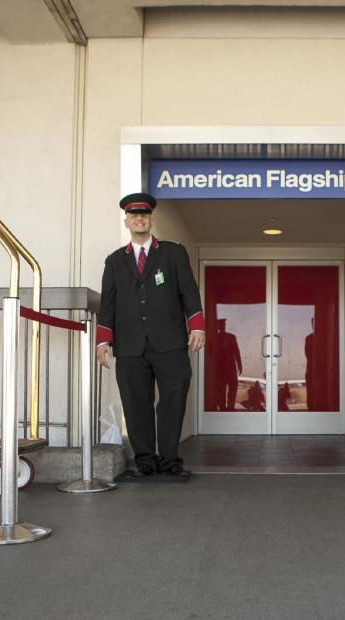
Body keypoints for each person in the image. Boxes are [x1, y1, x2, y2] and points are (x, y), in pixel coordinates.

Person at [96, 192, 205, 478]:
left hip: (169, 342)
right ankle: (145, 461)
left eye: (144, 214)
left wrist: (197, 325)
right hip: (130, 344)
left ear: (151, 218)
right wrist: (103, 340)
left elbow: (189, 291)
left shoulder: (173, 252)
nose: (139, 219)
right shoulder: (115, 261)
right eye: (134, 215)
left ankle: (170, 460)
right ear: (127, 220)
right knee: (136, 404)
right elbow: (108, 302)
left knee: (174, 399)